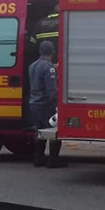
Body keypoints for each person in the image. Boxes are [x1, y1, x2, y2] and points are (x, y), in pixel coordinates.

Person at [28, 40, 64, 168]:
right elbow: (51, 90)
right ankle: (53, 160)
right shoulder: (49, 67)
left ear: (40, 51)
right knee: (54, 132)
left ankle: (38, 158)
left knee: (39, 132)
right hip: (46, 105)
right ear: (53, 52)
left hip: (34, 104)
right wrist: (57, 105)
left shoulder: (32, 66)